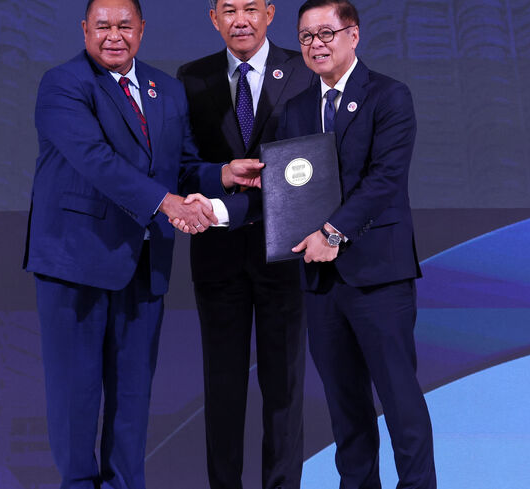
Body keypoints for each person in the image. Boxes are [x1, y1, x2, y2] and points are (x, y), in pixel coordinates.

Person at [22, 0, 261, 487]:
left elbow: (180, 164)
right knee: (77, 396)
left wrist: (221, 174)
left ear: (142, 30)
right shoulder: (64, 84)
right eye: (103, 26)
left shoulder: (166, 89)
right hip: (76, 262)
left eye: (125, 26)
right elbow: (96, 160)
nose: (114, 35)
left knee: (132, 399)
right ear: (84, 29)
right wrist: (169, 204)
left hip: (145, 261)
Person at [280, 1, 437, 488]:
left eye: (326, 33)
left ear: (354, 35)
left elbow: (384, 179)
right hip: (321, 282)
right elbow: (291, 188)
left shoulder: (389, 96)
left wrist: (332, 233)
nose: (316, 45)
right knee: (345, 410)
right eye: (306, 37)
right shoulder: (295, 109)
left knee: (400, 405)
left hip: (379, 277)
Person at [174, 1, 316, 488]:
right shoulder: (191, 78)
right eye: (228, 9)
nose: (241, 19)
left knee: (284, 389)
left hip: (286, 252)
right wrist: (218, 175)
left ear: (270, 13)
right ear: (213, 18)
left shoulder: (302, 71)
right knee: (223, 390)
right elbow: (181, 164)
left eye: (251, 8)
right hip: (217, 258)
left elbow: (315, 161)